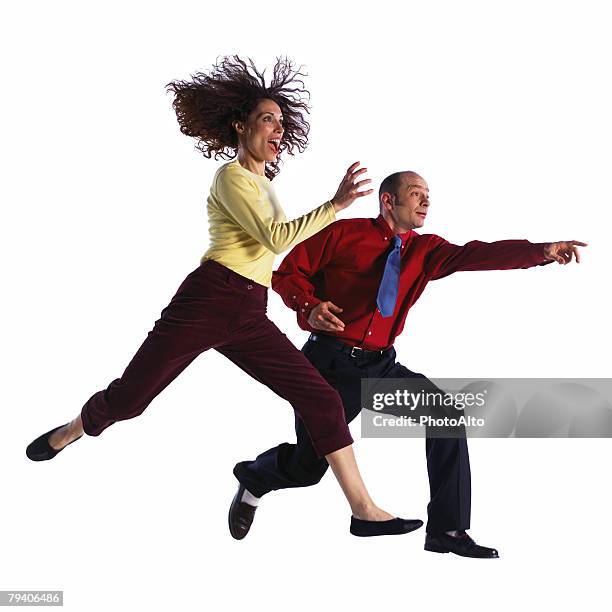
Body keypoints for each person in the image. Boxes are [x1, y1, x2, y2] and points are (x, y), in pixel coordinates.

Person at [25, 56, 421, 538]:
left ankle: (363, 510)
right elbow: (277, 239)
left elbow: (275, 243)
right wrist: (336, 206)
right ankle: (72, 430)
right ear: (240, 125)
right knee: (131, 399)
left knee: (322, 400)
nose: (277, 129)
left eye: (281, 121)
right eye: (266, 119)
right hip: (209, 299)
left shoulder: (261, 183)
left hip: (249, 310)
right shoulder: (231, 177)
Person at [231, 170, 587, 557]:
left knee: (446, 416)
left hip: (380, 367)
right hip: (329, 366)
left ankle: (447, 530)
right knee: (307, 467)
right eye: (415, 193)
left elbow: (478, 253)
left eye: (428, 194)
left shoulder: (426, 250)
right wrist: (309, 306)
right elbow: (286, 274)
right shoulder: (343, 234)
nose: (425, 201)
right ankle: (254, 478)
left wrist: (541, 251)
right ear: (388, 201)